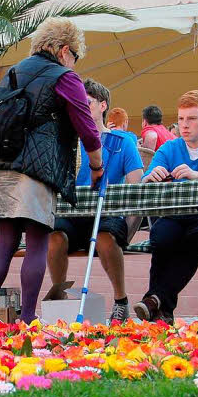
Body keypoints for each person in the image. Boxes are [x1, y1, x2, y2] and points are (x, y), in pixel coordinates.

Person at [0, 17, 104, 325]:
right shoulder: (64, 77)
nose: (74, 63)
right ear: (63, 49)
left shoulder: (12, 73)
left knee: (5, 242)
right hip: (34, 170)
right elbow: (87, 127)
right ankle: (29, 320)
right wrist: (97, 167)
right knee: (37, 240)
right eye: (75, 55)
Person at [133, 90, 198, 324]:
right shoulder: (171, 148)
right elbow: (147, 175)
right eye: (181, 119)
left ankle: (155, 301)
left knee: (196, 240)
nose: (184, 125)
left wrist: (195, 174)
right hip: (176, 215)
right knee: (161, 237)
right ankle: (161, 307)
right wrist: (152, 176)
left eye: (191, 119)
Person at [46, 78, 144, 321]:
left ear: (103, 106)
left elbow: (136, 186)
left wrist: (130, 227)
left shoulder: (122, 143)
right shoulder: (66, 143)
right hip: (72, 214)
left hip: (107, 213)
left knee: (105, 239)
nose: (79, 106)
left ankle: (121, 300)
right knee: (54, 237)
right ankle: (59, 298)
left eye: (86, 102)